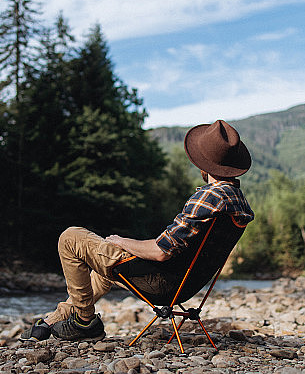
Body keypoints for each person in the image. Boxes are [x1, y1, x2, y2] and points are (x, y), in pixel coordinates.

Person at [21, 119, 255, 342]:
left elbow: (160, 251)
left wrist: (123, 241)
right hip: (185, 286)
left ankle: (84, 322)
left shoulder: (208, 197)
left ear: (203, 164)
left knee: (70, 238)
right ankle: (55, 318)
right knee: (103, 271)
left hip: (159, 281)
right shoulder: (239, 203)